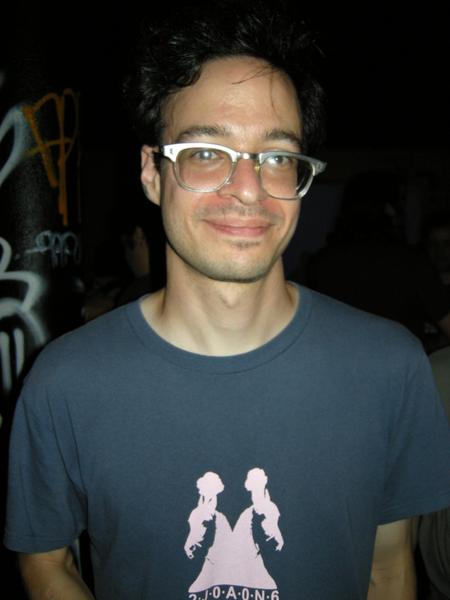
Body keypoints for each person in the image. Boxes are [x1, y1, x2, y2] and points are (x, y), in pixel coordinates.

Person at [4, 2, 450, 599]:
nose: (247, 190)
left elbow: (388, 569)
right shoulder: (65, 381)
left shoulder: (389, 368)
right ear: (152, 173)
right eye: (206, 153)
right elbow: (46, 562)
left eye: (276, 157)